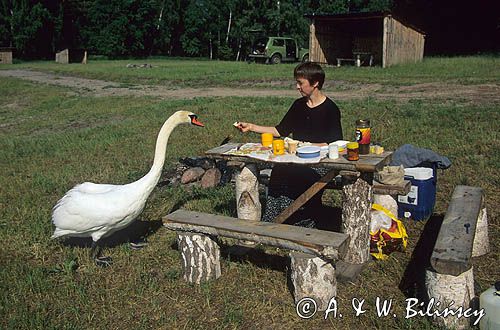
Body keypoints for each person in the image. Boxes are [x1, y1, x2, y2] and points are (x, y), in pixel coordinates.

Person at [236, 62, 343, 227]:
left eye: (300, 83)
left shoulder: (331, 109)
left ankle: (300, 221)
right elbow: (280, 130)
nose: (297, 87)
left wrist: (305, 145)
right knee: (279, 171)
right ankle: (274, 221)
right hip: (295, 159)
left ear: (315, 84)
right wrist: (251, 127)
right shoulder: (298, 105)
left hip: (320, 162)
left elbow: (334, 143)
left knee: (297, 177)